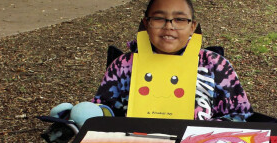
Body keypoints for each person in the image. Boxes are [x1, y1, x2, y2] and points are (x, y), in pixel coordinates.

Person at [92, 0, 253, 121]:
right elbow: (101, 112)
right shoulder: (123, 66)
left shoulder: (215, 65)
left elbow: (240, 114)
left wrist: (205, 134)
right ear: (146, 23)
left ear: (192, 26)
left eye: (180, 19)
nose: (169, 26)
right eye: (159, 18)